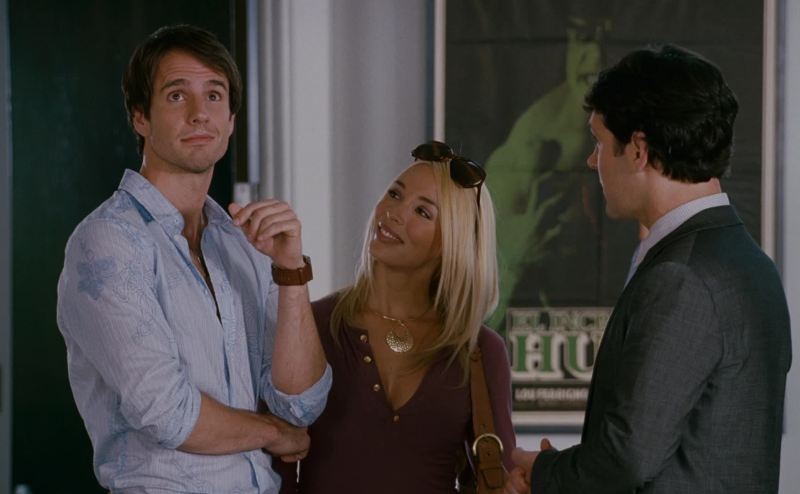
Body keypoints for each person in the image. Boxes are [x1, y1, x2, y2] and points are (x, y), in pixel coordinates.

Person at [56, 24, 331, 493]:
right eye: (177, 95)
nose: (200, 113)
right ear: (140, 118)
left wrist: (290, 272)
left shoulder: (242, 244)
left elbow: (301, 404)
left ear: (231, 120)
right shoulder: (107, 241)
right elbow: (167, 412)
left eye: (215, 95)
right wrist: (273, 433)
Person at [507, 45, 792, 493]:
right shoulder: (752, 263)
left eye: (599, 143)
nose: (592, 161)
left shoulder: (681, 277)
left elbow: (628, 457)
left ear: (638, 150)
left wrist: (543, 472)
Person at [276, 141, 516, 493]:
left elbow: (502, 477)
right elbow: (275, 472)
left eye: (423, 212)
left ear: (453, 242)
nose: (394, 212)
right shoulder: (313, 325)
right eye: (394, 194)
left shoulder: (479, 351)